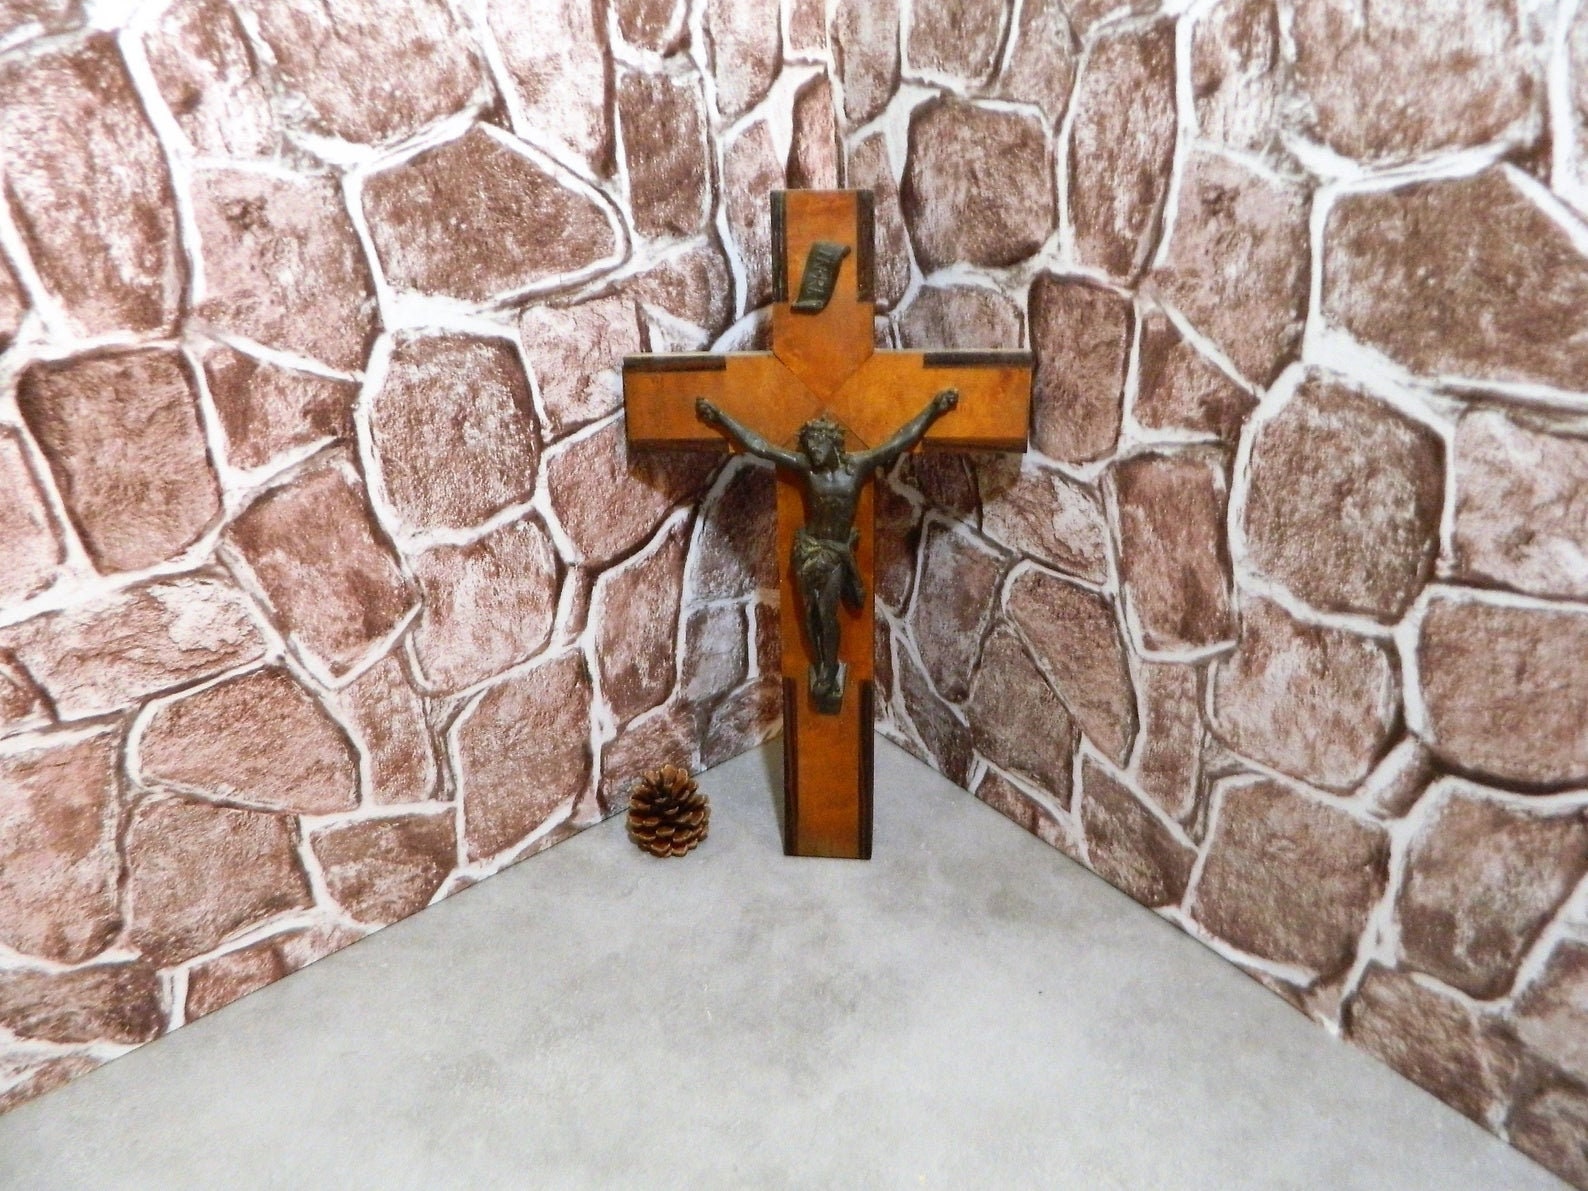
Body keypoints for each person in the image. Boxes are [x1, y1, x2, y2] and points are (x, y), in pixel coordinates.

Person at [696, 388, 959, 713]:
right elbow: (759, 446)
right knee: (809, 614)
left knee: (826, 612)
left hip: (835, 553)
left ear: (834, 444)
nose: (814, 452)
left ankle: (829, 667)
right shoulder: (807, 469)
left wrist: (934, 409)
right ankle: (820, 662)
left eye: (819, 445)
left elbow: (900, 440)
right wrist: (720, 418)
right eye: (809, 447)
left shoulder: (857, 467)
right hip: (809, 549)